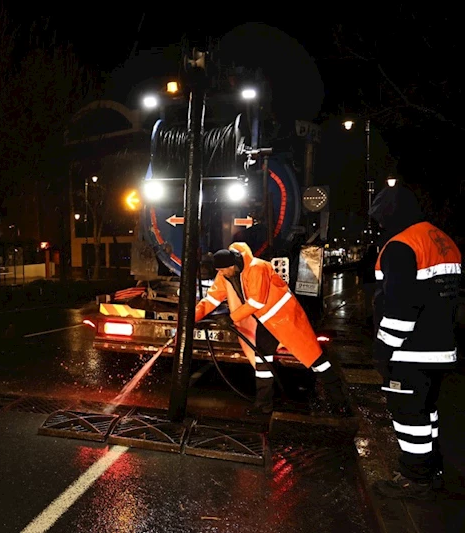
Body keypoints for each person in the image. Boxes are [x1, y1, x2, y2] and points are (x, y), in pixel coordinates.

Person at [368, 185, 461, 499]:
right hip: (441, 349)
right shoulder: (442, 240)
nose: (380, 226)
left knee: (408, 414)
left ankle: (414, 477)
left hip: (410, 351)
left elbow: (400, 308)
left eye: (381, 219)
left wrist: (384, 349)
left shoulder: (401, 246)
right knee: (427, 412)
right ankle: (431, 469)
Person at [194, 242, 349, 416]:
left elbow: (256, 301)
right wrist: (191, 317)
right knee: (262, 360)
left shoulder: (258, 268)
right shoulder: (227, 275)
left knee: (315, 360)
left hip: (287, 320)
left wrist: (230, 318)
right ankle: (263, 404)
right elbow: (212, 299)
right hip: (265, 322)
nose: (220, 274)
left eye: (223, 270)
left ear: (233, 265)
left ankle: (340, 401)